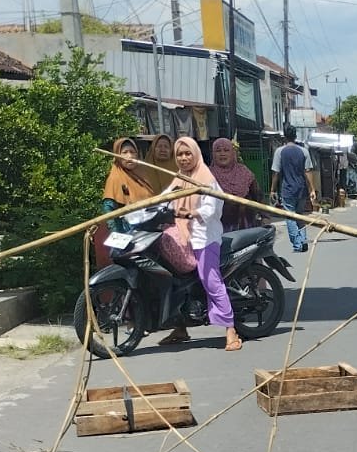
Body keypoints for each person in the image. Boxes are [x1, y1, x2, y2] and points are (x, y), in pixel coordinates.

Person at [158, 136, 240, 351]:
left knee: (210, 280)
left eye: (187, 154)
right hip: (182, 235)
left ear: (195, 154)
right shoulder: (180, 178)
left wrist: (192, 213)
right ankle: (181, 327)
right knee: (176, 280)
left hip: (204, 237)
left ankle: (230, 330)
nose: (184, 158)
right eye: (180, 154)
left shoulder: (205, 177)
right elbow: (165, 197)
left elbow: (211, 209)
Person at [93, 137, 153, 270]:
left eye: (133, 152)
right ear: (117, 155)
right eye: (124, 152)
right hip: (127, 235)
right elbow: (108, 209)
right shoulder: (115, 178)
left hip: (148, 232)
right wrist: (118, 236)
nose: (129, 156)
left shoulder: (142, 175)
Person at [271, 125, 317, 252]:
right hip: (302, 190)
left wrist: (272, 190)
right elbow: (308, 171)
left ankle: (297, 244)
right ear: (295, 136)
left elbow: (276, 173)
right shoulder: (304, 151)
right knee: (300, 215)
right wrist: (312, 189)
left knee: (290, 217)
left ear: (284, 136)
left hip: (287, 190)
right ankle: (302, 240)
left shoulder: (280, 151)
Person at [209, 137, 261, 232]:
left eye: (226, 150)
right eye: (218, 150)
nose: (222, 154)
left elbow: (257, 196)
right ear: (213, 154)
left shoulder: (244, 173)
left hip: (245, 227)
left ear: (233, 153)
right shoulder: (207, 175)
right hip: (217, 230)